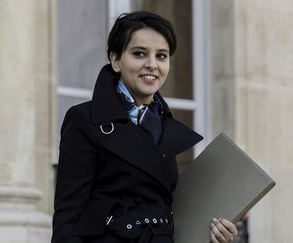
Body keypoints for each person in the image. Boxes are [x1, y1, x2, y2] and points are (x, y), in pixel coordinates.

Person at [52, 11, 238, 243]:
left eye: (161, 56)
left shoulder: (167, 127)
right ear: (115, 60)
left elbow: (173, 214)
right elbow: (68, 216)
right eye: (139, 54)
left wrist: (215, 230)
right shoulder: (83, 120)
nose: (152, 65)